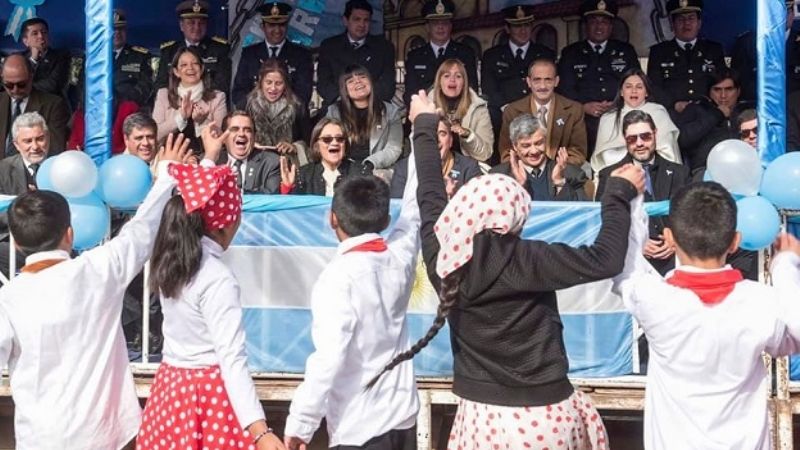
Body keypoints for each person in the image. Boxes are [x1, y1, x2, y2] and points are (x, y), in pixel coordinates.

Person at [366, 90, 645, 450]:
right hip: (544, 416)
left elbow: (430, 195)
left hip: (480, 419)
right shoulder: (530, 258)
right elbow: (606, 258)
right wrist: (617, 193)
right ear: (515, 216)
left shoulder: (443, 259)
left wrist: (423, 124)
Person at [0, 134, 189, 449]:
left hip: (41, 437)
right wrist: (167, 174)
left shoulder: (9, 298)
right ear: (70, 234)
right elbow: (141, 231)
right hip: (104, 436)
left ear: (17, 244)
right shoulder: (97, 270)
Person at [612, 182, 800, 450]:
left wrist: (631, 198)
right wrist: (785, 266)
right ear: (736, 240)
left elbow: (624, 267)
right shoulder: (762, 303)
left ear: (670, 237)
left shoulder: (654, 299)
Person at [283, 99, 423, 449]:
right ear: (384, 221)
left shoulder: (337, 278)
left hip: (359, 428)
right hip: (403, 420)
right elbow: (415, 207)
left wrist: (300, 425)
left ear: (333, 220)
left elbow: (327, 360)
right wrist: (422, 130)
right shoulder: (400, 255)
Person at [137, 161, 284, 450]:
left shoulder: (172, 261)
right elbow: (232, 357)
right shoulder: (216, 277)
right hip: (208, 394)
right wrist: (259, 430)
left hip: (170, 389)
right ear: (226, 221)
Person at [596, 110, 689, 275]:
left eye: (645, 136)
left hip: (677, 259)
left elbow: (690, 215)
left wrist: (677, 238)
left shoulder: (680, 172)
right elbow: (601, 220)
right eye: (632, 139)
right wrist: (635, 242)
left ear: (655, 134)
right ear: (625, 140)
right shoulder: (610, 175)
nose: (639, 143)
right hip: (629, 261)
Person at [557, 0, 640, 154]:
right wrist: (583, 107)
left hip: (620, 112)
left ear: (611, 26)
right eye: (593, 21)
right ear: (586, 25)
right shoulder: (571, 53)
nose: (599, 26)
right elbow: (564, 89)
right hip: (583, 118)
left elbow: (637, 84)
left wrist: (617, 104)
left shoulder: (626, 51)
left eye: (604, 22)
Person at [481, 4, 556, 151]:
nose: (523, 31)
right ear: (507, 29)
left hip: (536, 111)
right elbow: (489, 88)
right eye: (517, 26)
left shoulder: (545, 54)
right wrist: (509, 109)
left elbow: (549, 86)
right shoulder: (492, 55)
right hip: (503, 113)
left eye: (527, 25)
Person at [499, 58, 588, 166]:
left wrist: (554, 171)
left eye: (548, 80)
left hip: (561, 171)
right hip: (524, 173)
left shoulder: (574, 110)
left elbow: (578, 152)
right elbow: (507, 153)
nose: (542, 86)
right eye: (537, 80)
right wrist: (531, 172)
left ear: (556, 81)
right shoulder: (512, 111)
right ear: (528, 82)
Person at [593, 69, 681, 173]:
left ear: (646, 92)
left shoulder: (659, 112)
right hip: (619, 174)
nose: (634, 91)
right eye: (628, 87)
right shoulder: (608, 118)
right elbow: (605, 157)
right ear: (621, 92)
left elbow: (668, 152)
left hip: (656, 172)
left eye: (639, 87)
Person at [646, 0, 725, 114]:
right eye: (680, 19)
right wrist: (673, 104)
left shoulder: (713, 50)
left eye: (691, 18)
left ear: (699, 23)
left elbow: (722, 83)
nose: (686, 23)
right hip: (672, 114)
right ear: (672, 24)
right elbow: (654, 87)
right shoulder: (659, 52)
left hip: (708, 112)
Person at [672, 68, 753, 176]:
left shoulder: (749, 110)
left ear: (738, 91)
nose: (723, 95)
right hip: (705, 171)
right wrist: (716, 114)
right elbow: (682, 140)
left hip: (744, 168)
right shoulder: (696, 109)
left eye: (729, 89)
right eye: (717, 90)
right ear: (709, 92)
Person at [232, 2, 314, 108]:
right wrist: (259, 109)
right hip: (255, 117)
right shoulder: (250, 54)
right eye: (271, 25)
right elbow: (239, 92)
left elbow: (304, 94)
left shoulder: (302, 55)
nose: (277, 30)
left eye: (281, 25)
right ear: (263, 27)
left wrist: (278, 110)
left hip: (291, 118)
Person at [0, 112, 52, 278]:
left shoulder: (62, 167)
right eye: (28, 141)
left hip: (55, 242)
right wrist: (25, 208)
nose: (35, 146)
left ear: (48, 137)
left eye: (40, 139)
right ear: (16, 144)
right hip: (14, 242)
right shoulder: (3, 170)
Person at [491, 113, 589, 201]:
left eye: (538, 143)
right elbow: (495, 215)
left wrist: (559, 182)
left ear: (546, 141)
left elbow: (582, 214)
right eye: (526, 146)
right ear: (515, 146)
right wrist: (518, 186)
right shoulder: (498, 177)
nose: (534, 151)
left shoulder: (572, 174)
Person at [316, 0, 397, 106]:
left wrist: (363, 102)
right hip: (338, 105)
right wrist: (348, 99)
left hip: (374, 107)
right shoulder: (329, 47)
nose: (362, 24)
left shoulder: (384, 48)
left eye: (366, 20)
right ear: (345, 20)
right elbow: (323, 84)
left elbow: (388, 85)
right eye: (357, 19)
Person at [153, 46, 227, 155]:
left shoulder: (218, 97)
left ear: (201, 69)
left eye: (195, 64)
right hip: (169, 157)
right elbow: (155, 134)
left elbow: (222, 138)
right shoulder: (163, 95)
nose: (190, 68)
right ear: (176, 72)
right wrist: (181, 117)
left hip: (204, 158)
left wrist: (202, 121)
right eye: (184, 65)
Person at [326, 65, 403, 171]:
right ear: (345, 90)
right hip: (343, 167)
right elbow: (329, 144)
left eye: (362, 77)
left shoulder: (390, 111)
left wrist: (370, 163)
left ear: (370, 81)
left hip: (377, 168)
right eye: (350, 81)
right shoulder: (334, 112)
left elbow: (394, 148)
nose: (358, 81)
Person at [403, 0, 478, 106]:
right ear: (427, 27)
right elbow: (410, 93)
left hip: (457, 112)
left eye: (444, 22)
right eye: (435, 23)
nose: (440, 27)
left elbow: (471, 89)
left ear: (451, 26)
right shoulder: (415, 56)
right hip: (425, 112)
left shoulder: (465, 53)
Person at [390, 115, 480, 198]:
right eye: (429, 133)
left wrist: (456, 196)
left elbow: (478, 207)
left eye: (442, 134)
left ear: (451, 140)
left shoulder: (469, 167)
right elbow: (397, 208)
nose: (435, 140)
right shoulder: (404, 168)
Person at [0, 54, 69, 156]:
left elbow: (54, 150)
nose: (15, 90)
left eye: (21, 84)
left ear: (31, 77)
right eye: (9, 85)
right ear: (2, 79)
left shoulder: (53, 105)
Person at [156, 0, 231, 94]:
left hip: (209, 105)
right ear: (181, 26)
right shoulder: (169, 51)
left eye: (201, 23)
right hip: (175, 105)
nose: (197, 27)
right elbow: (161, 86)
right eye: (191, 23)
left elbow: (221, 86)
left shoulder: (220, 49)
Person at [245, 59, 310, 166]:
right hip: (255, 163)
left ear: (285, 84)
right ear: (261, 82)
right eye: (268, 82)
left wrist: (293, 147)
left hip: (287, 164)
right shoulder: (247, 105)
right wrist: (251, 143)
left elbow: (308, 140)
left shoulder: (298, 106)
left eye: (279, 83)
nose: (273, 88)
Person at [731, 0, 798, 102]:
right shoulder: (746, 43)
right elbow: (739, 82)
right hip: (757, 106)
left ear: (793, 15)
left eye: (786, 12)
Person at [279, 117, 364, 196]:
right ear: (316, 145)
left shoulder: (361, 173)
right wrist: (287, 188)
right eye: (327, 139)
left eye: (340, 139)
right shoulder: (303, 175)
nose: (334, 143)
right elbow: (291, 209)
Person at [430, 58, 493, 163]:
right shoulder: (427, 106)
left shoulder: (478, 108)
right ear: (439, 82)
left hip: (468, 167)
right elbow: (419, 146)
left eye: (458, 76)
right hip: (434, 163)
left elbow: (485, 153)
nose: (452, 79)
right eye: (446, 76)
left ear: (464, 83)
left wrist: (468, 135)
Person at [204, 110, 281, 194]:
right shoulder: (211, 161)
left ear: (254, 136)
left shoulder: (271, 162)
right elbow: (201, 194)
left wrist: (230, 194)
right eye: (234, 129)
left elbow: (270, 196)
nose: (241, 134)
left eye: (247, 130)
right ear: (223, 137)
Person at [18, 17, 71, 98]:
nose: (41, 36)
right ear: (26, 41)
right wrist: (33, 60)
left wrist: (23, 87)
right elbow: (14, 81)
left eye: (44, 32)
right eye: (35, 33)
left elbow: (53, 85)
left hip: (51, 103)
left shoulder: (61, 57)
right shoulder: (18, 58)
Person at [111, 9, 154, 106]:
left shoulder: (140, 56)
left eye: (121, 29)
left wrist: (120, 103)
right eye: (113, 29)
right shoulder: (93, 57)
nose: (117, 32)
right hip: (97, 111)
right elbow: (82, 87)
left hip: (129, 111)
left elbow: (145, 87)